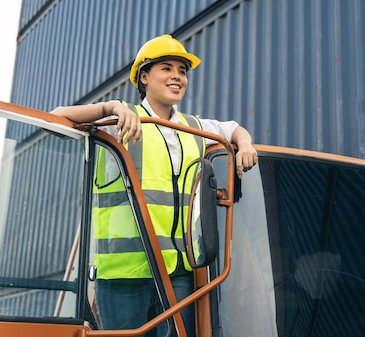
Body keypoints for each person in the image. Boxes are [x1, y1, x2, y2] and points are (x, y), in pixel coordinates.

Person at [51, 34, 257, 337]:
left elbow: (234, 129)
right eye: (167, 68)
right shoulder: (121, 118)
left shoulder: (196, 127)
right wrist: (111, 108)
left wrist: (246, 144)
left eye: (182, 71)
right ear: (144, 77)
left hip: (178, 271)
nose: (177, 76)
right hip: (124, 274)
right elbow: (56, 117)